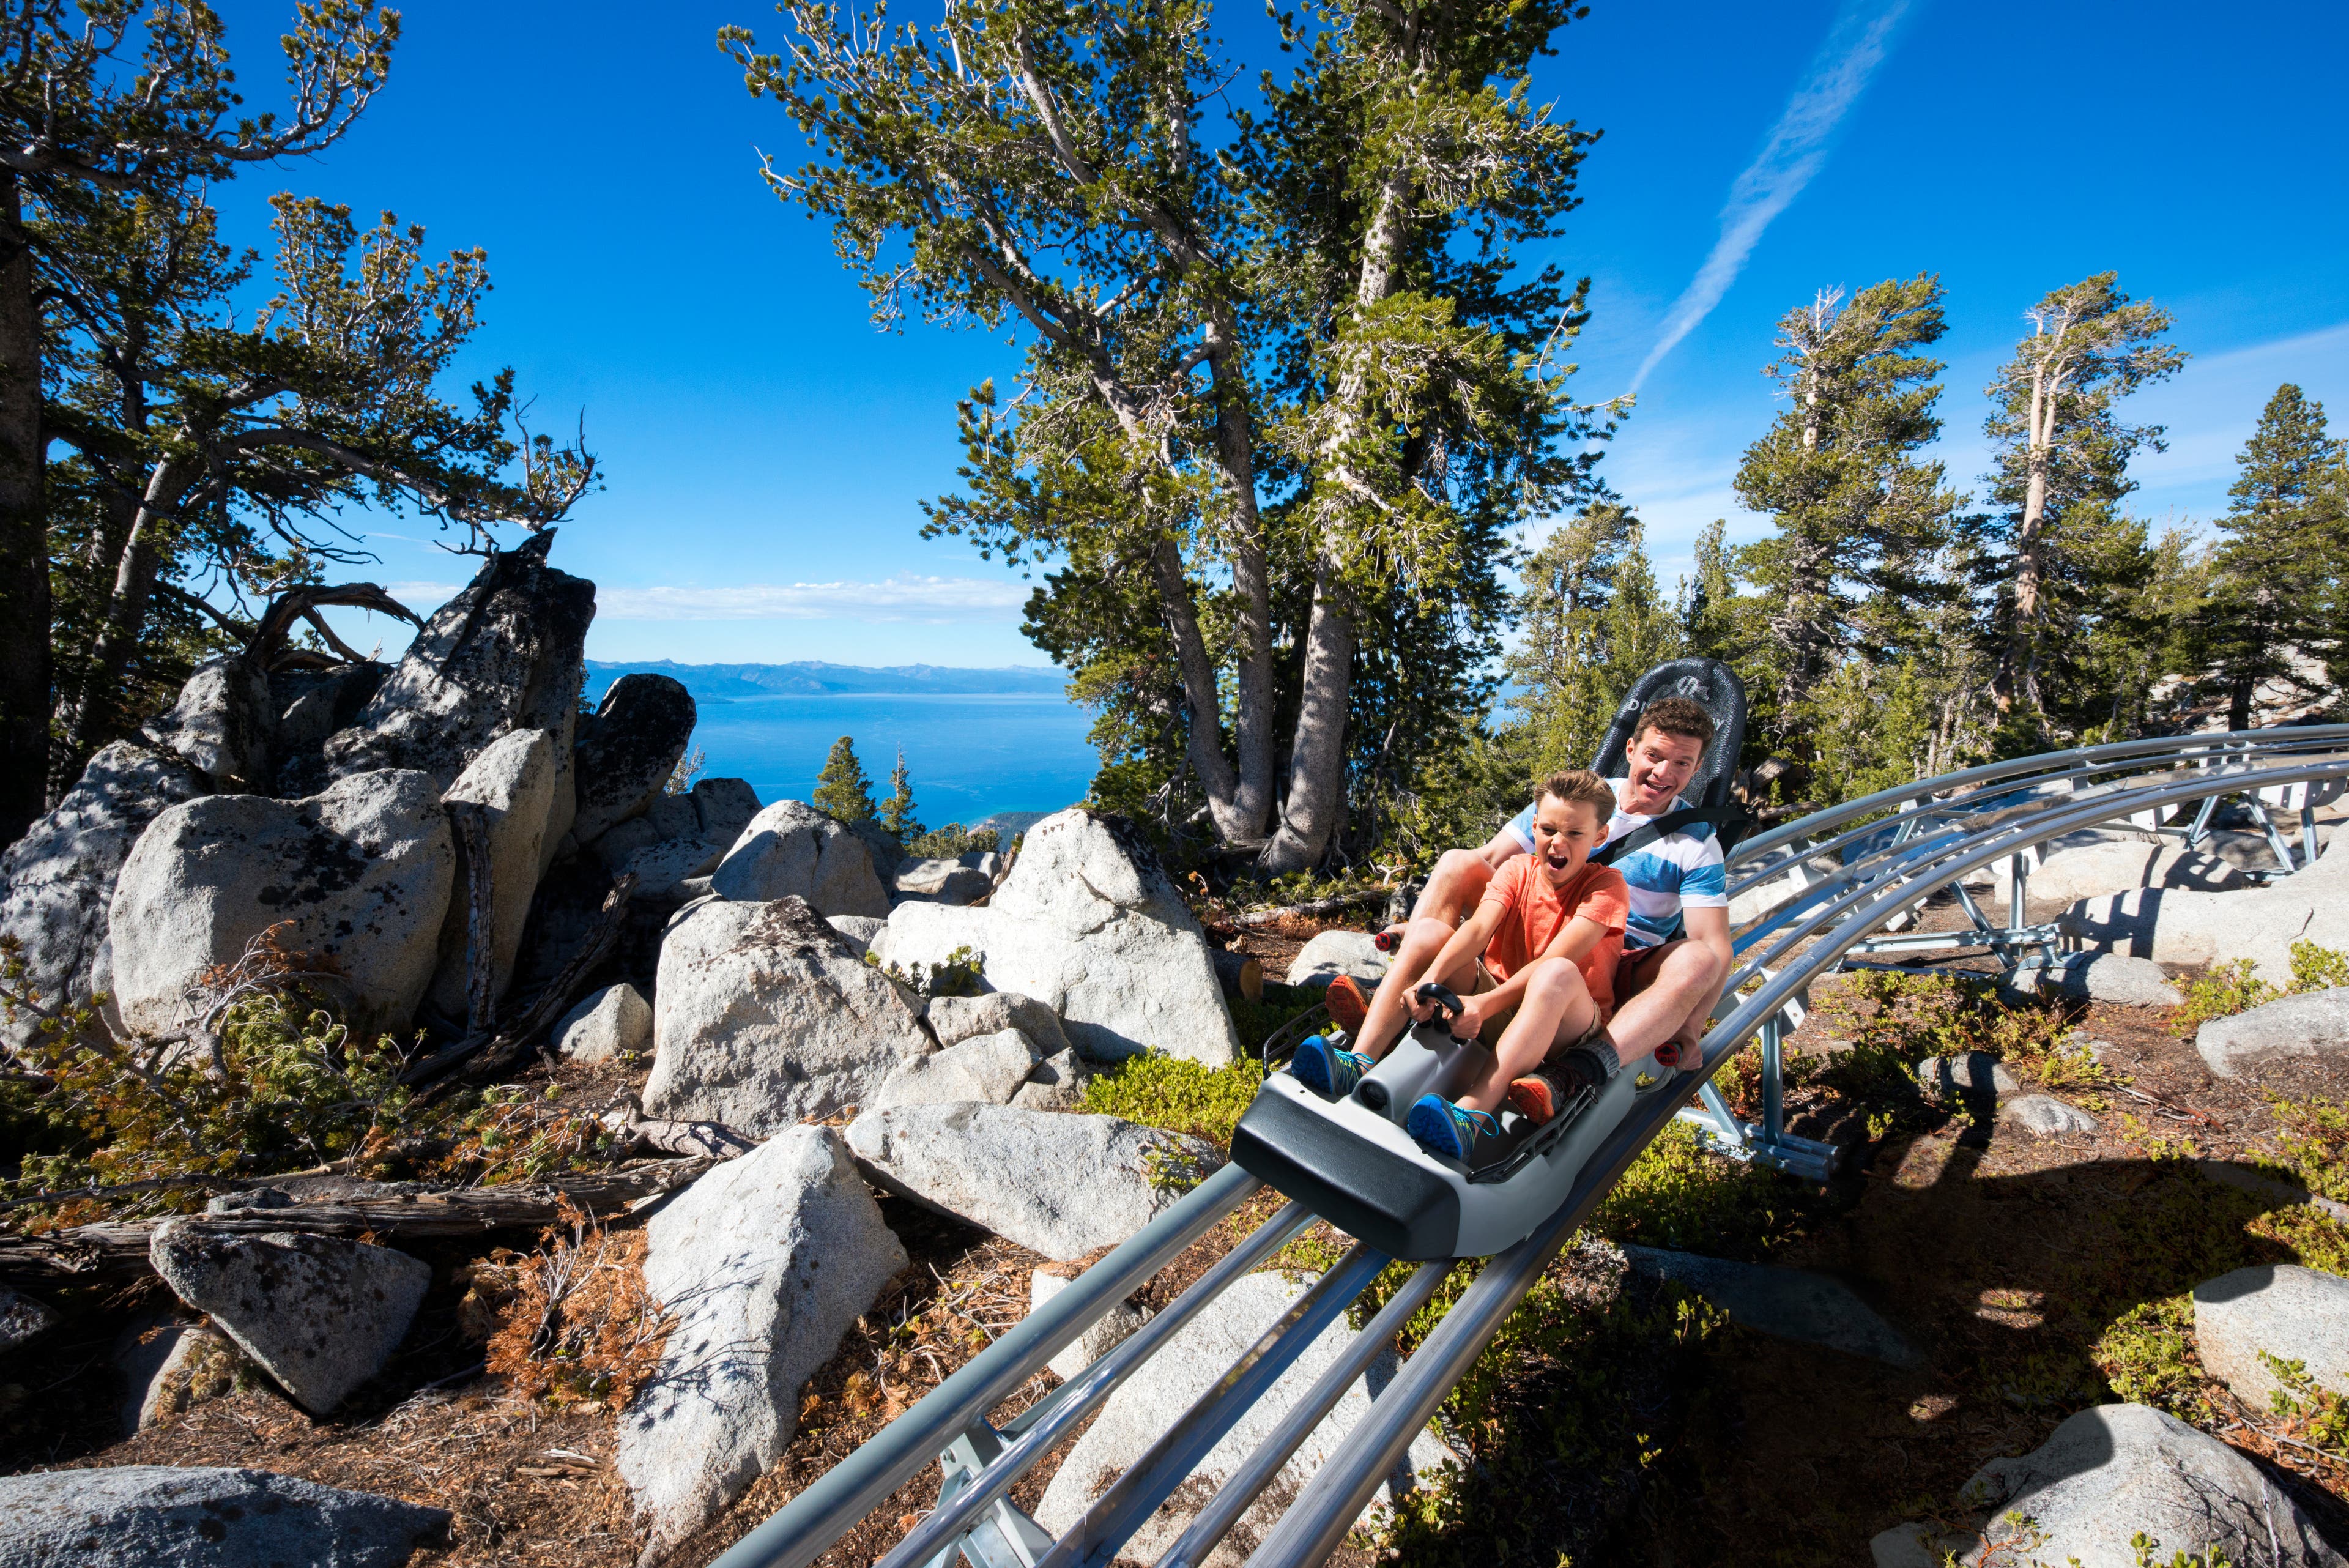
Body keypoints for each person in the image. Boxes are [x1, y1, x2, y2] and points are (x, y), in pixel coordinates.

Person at [1327, 696, 1733, 1113]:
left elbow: (1714, 945)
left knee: (1700, 959)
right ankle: (1405, 997)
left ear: (1698, 768)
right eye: (1654, 754)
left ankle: (1586, 1064)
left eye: (1683, 763)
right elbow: (1491, 860)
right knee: (1457, 863)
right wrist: (1424, 932)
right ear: (1631, 749)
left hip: (1615, 962)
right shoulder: (1577, 797)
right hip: (1533, 924)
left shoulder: (1697, 842)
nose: (1664, 772)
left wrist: (1689, 1027)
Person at [1288, 770, 1630, 1166]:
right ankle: (1359, 1060)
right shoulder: (1517, 870)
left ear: (1600, 837)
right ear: (1534, 825)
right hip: (1502, 1004)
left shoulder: (1607, 887)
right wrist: (1429, 980)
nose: (1558, 842)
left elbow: (1554, 960)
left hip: (1563, 1025)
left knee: (1555, 974)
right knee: (1432, 929)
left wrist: (1482, 1006)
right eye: (1550, 828)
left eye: (1575, 834)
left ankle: (1470, 1114)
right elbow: (1478, 930)